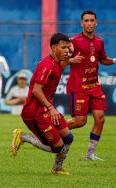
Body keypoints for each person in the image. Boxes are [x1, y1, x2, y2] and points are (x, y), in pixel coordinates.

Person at [11, 33, 74, 175]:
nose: (67, 51)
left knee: (68, 138)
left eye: (68, 47)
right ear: (53, 48)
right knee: (57, 147)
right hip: (34, 113)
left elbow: (68, 57)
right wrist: (51, 108)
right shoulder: (47, 65)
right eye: (63, 47)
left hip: (46, 110)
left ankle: (57, 168)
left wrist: (72, 55)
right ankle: (23, 137)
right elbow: (36, 90)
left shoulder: (58, 62)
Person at [66, 10, 116, 161]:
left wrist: (114, 60)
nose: (89, 23)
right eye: (86, 21)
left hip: (94, 86)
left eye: (92, 20)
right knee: (80, 121)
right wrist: (70, 60)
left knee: (100, 119)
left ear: (96, 22)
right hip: (79, 87)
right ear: (81, 23)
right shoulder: (73, 41)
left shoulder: (99, 41)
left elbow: (102, 59)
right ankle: (52, 129)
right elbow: (59, 58)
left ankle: (90, 154)